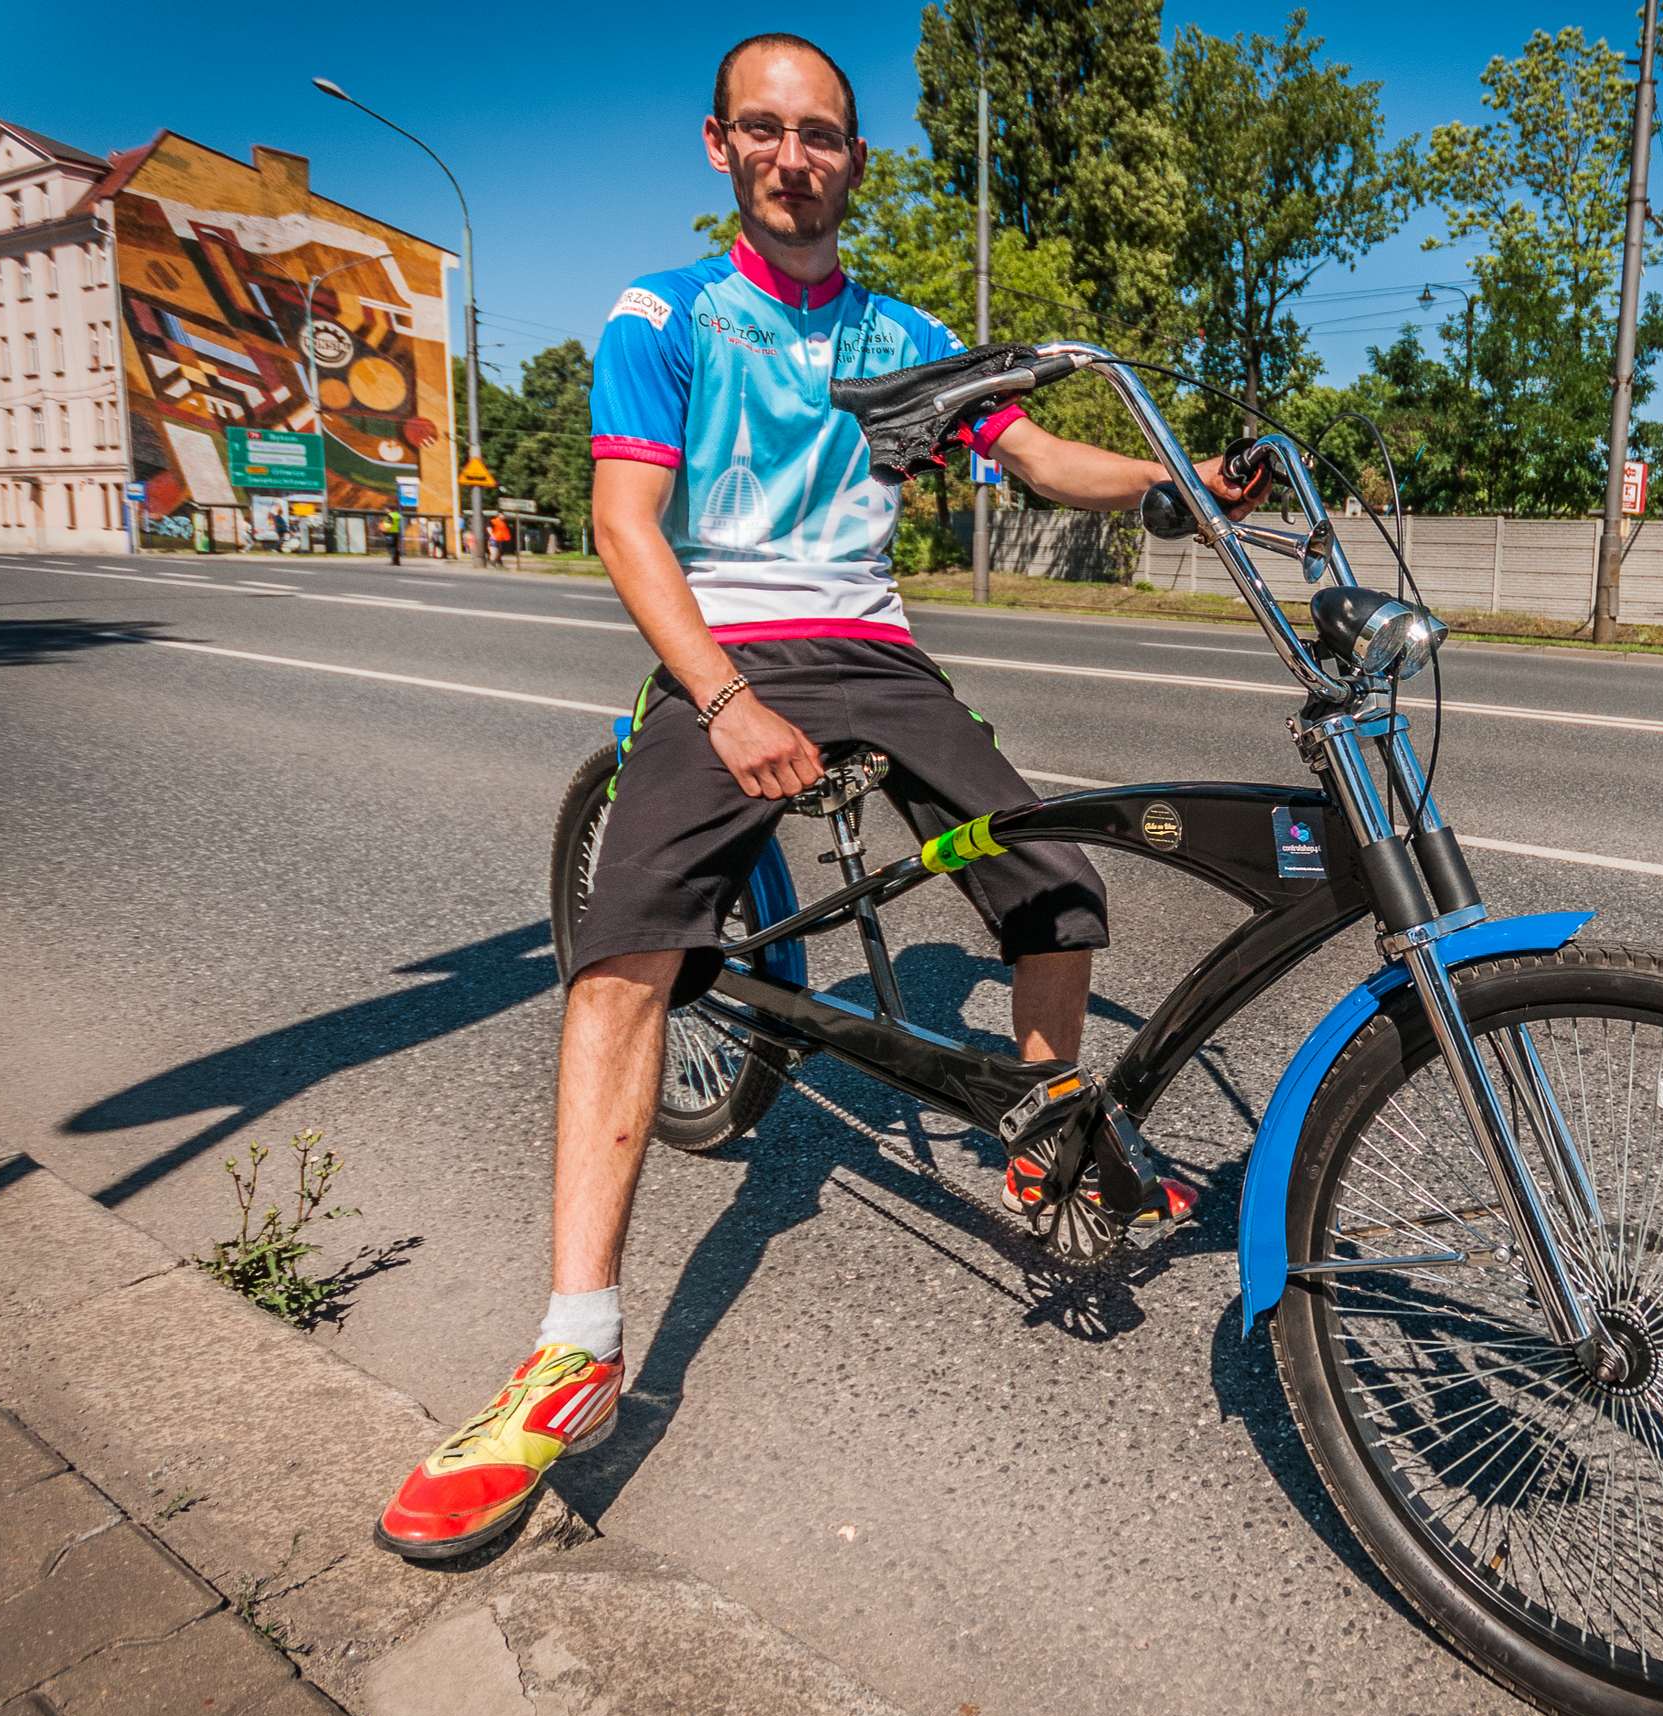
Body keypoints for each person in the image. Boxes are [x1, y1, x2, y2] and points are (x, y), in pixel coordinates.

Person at [372, 31, 1264, 1561]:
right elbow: (625, 523)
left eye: (826, 137)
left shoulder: (908, 332)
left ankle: (1044, 1132)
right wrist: (721, 701)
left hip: (880, 653)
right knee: (624, 956)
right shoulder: (667, 314)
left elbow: (1037, 451)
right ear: (720, 147)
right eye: (768, 132)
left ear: (855, 160)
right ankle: (574, 1348)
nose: (798, 158)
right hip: (722, 640)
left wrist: (1178, 489)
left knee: (1061, 888)